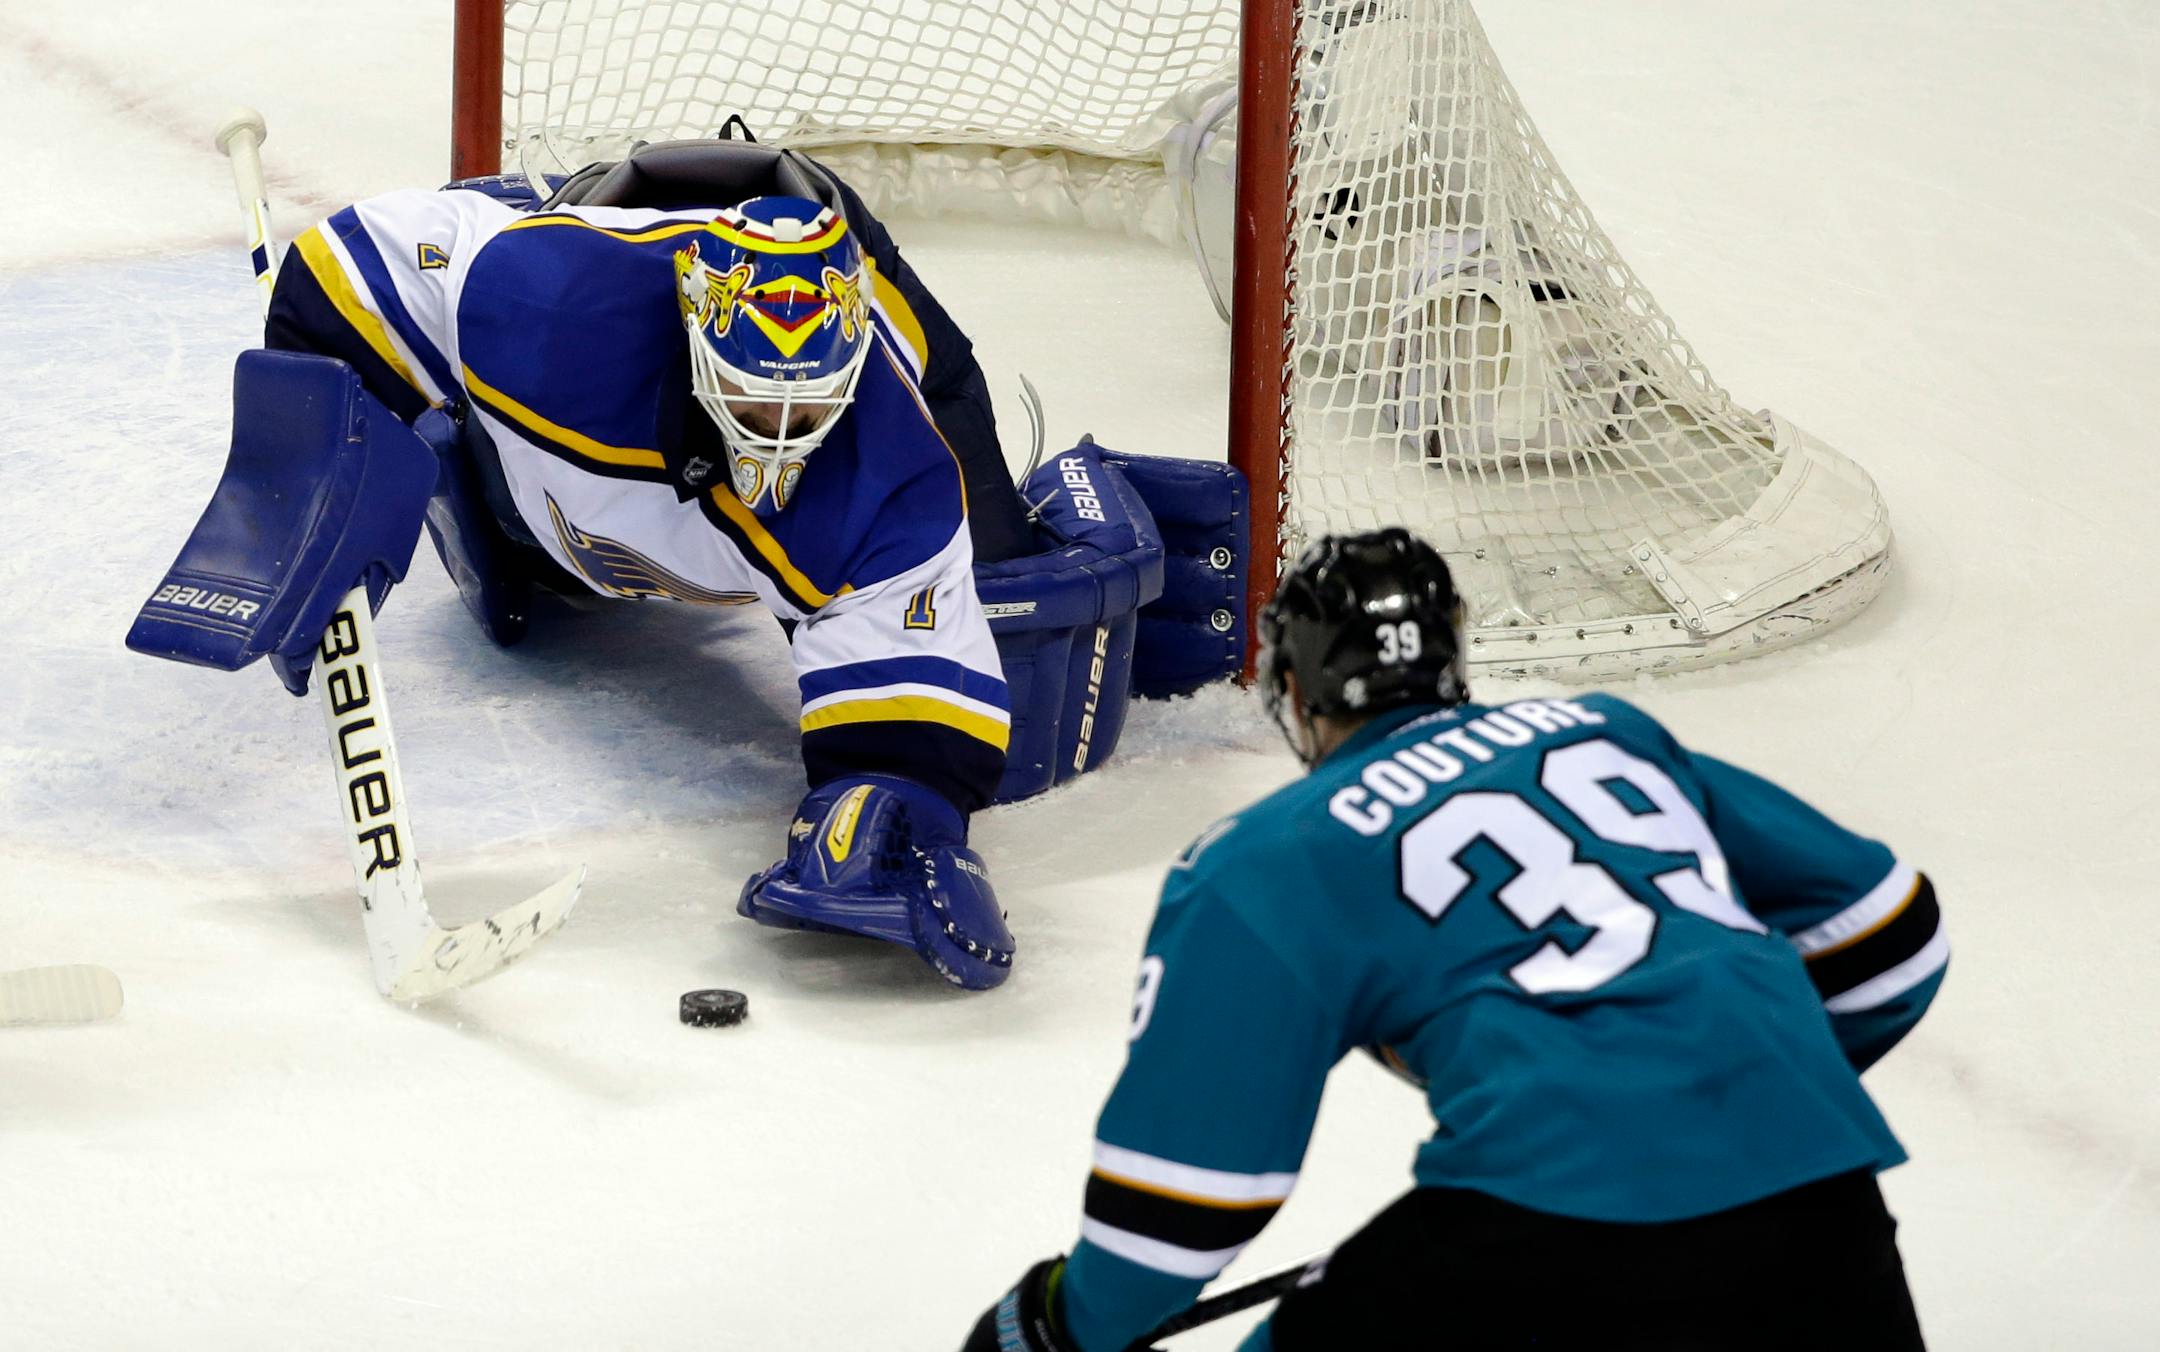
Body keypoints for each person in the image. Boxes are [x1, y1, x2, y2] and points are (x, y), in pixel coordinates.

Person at [964, 527, 1947, 1349]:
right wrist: (1727, 1106)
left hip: (1545, 1236)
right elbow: (1891, 926)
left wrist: (1057, 1323)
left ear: (1296, 696)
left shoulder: (1270, 855)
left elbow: (1184, 1202)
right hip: (1825, 1209)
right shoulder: (1602, 731)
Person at [262, 140, 1029, 990]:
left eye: (808, 405)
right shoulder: (548, 299)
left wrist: (892, 813)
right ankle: (554, 198)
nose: (777, 432)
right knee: (504, 578)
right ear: (697, 339)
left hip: (711, 464)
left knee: (986, 577)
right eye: (749, 394)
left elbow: (911, 726)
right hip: (539, 475)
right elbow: (343, 270)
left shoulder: (892, 473)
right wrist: (316, 478)